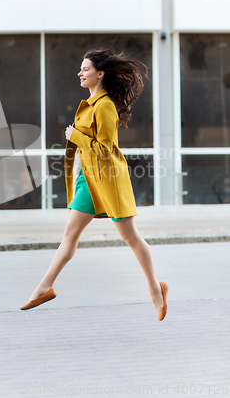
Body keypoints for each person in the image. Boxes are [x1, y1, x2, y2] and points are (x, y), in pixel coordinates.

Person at [20, 48, 168, 321]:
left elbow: (105, 149)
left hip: (108, 179)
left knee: (131, 237)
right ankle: (44, 287)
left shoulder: (105, 106)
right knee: (69, 234)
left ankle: (155, 290)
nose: (80, 73)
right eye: (81, 68)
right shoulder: (88, 105)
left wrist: (75, 136)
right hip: (87, 180)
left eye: (85, 69)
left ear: (100, 73)